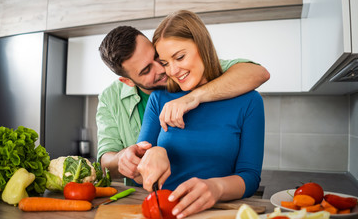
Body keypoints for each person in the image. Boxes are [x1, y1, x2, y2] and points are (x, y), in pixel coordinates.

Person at [97, 23, 269, 186]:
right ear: (127, 81)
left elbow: (257, 73)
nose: (166, 69)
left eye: (158, 58)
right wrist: (125, 159)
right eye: (146, 70)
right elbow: (107, 162)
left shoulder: (198, 71)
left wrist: (193, 97)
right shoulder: (116, 98)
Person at [135, 10, 265, 219]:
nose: (174, 70)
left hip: (217, 216)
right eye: (166, 63)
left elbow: (250, 177)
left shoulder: (249, 101)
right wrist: (153, 153)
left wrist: (216, 188)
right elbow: (140, 175)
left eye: (180, 57)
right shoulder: (159, 99)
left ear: (202, 46)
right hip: (163, 216)